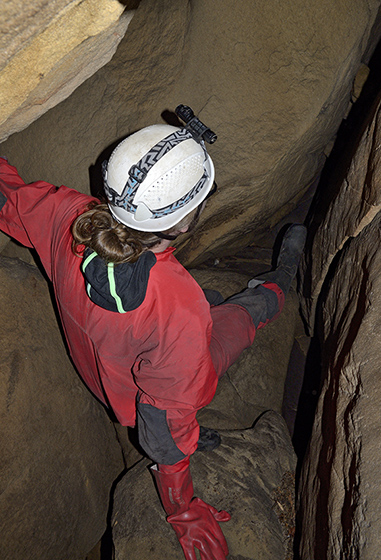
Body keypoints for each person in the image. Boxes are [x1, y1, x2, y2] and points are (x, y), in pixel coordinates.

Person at [0, 118, 306, 560]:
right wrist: (182, 507)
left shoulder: (69, 213)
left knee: (204, 309)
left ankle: (256, 290)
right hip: (151, 384)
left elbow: (11, 199)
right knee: (236, 320)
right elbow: (165, 422)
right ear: (182, 226)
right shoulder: (179, 309)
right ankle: (278, 284)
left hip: (109, 375)